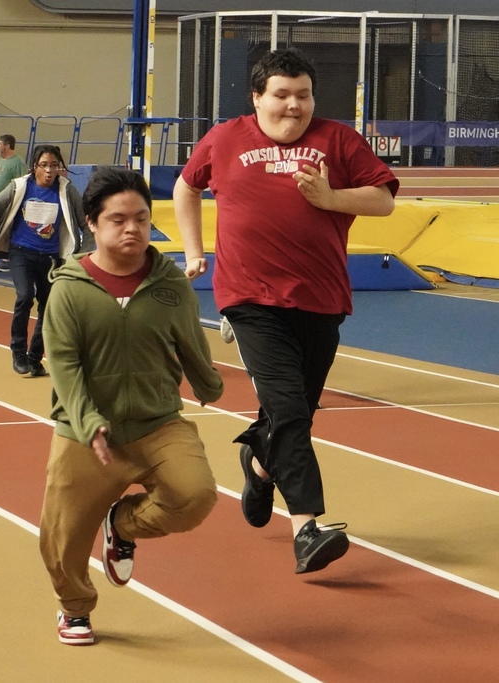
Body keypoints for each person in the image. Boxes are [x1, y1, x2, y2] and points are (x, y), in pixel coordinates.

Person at [173, 48, 399, 574]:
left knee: (293, 412)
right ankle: (307, 528)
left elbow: (384, 200)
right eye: (281, 95)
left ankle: (258, 460)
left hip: (320, 299)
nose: (293, 106)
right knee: (291, 411)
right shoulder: (226, 138)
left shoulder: (337, 139)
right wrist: (193, 250)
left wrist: (329, 197)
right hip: (249, 299)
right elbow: (187, 185)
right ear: (257, 99)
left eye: (303, 95)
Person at [39, 166, 223, 645]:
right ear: (92, 224)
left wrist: (210, 384)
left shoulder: (170, 286)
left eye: (141, 218)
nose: (132, 229)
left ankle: (122, 524)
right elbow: (63, 363)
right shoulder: (68, 289)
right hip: (86, 433)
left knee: (196, 495)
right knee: (61, 536)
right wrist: (88, 422)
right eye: (118, 219)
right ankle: (75, 609)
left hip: (157, 423)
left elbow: (189, 343)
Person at [0, 144, 89, 377]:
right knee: (24, 296)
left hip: (53, 258)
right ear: (34, 167)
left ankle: (35, 358)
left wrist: (82, 259)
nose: (49, 171)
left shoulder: (67, 190)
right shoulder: (20, 187)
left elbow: (88, 225)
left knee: (50, 309)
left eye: (54, 166)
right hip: (22, 253)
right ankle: (18, 353)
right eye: (44, 165)